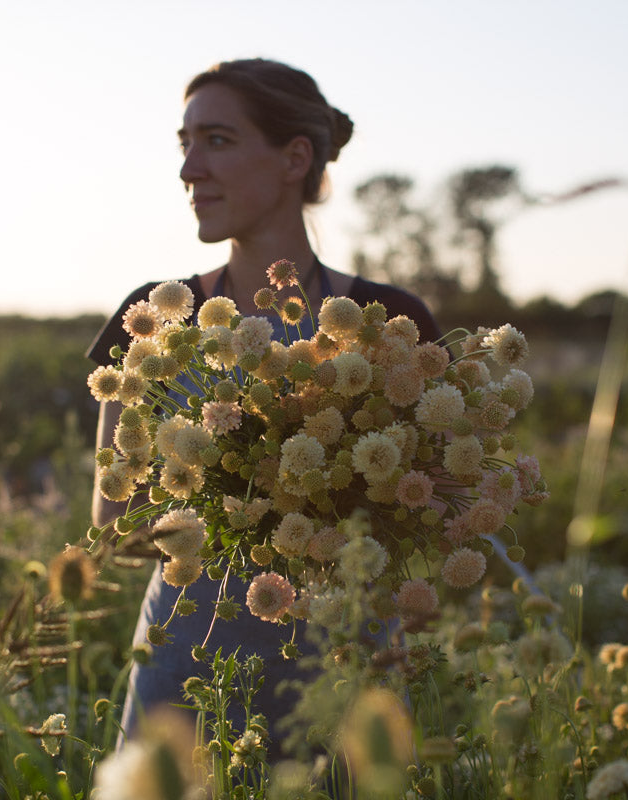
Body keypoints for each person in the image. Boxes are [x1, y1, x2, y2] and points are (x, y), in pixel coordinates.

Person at [87, 58, 441, 749]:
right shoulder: (153, 321)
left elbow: (437, 506)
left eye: (216, 140)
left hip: (349, 676)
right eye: (184, 143)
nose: (190, 168)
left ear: (294, 158)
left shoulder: (391, 325)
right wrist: (240, 493)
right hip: (190, 676)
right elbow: (112, 519)